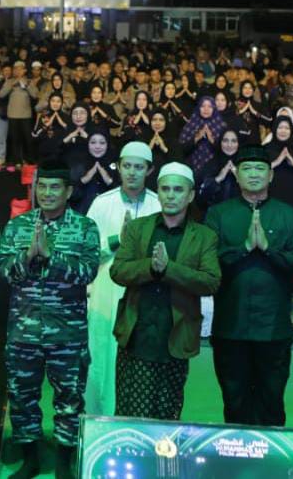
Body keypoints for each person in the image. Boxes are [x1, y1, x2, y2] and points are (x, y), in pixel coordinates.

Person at [0, 159, 100, 479]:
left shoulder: (85, 227)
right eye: (41, 186)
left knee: (69, 399)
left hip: (67, 333)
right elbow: (4, 272)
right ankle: (30, 458)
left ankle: (64, 462)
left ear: (68, 191)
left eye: (55, 187)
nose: (47, 193)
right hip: (23, 331)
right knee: (22, 396)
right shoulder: (18, 226)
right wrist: (28, 255)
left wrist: (51, 257)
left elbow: (88, 272)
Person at [109, 161, 219, 420]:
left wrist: (169, 269)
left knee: (167, 419)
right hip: (137, 337)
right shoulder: (138, 228)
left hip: (176, 339)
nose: (171, 195)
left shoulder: (204, 236)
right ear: (157, 192)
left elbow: (211, 281)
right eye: (165, 189)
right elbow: (118, 271)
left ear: (190, 195)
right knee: (131, 416)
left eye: (178, 190)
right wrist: (151, 267)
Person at [205, 145, 293, 426]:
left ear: (271, 175)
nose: (253, 174)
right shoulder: (218, 214)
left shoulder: (288, 215)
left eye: (259, 168)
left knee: (272, 402)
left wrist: (269, 249)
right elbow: (208, 263)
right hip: (230, 328)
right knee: (234, 402)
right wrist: (246, 247)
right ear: (236, 176)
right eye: (246, 169)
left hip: (273, 329)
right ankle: (236, 463)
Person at [84, 141, 161, 416]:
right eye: (126, 166)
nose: (131, 172)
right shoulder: (101, 203)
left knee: (140, 359)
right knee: (101, 358)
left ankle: (137, 422)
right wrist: (118, 240)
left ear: (149, 170)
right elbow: (86, 250)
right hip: (105, 293)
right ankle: (96, 421)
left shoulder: (158, 204)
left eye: (138, 167)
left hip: (145, 293)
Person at [178, 96, 225, 176]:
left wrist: (212, 140)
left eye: (209, 106)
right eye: (203, 106)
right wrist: (196, 138)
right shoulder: (191, 124)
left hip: (214, 170)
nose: (206, 109)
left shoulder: (220, 126)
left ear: (214, 109)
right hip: (191, 168)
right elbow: (181, 149)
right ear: (198, 108)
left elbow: (225, 151)